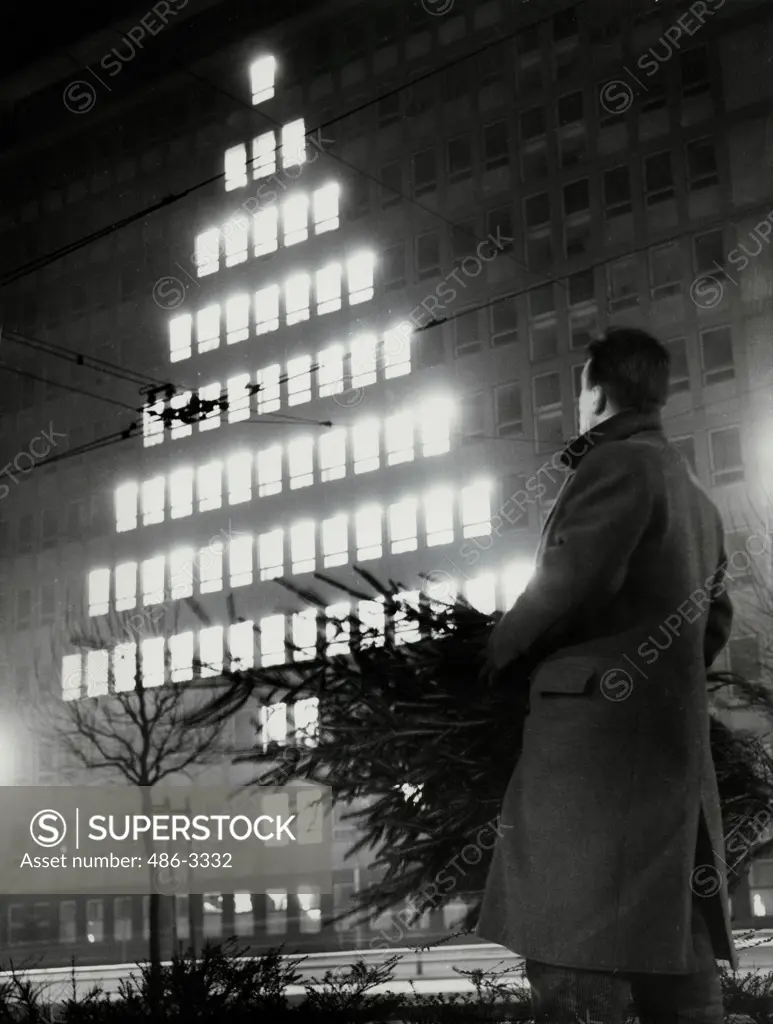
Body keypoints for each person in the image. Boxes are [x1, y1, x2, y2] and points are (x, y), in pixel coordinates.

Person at [476, 327, 736, 1024]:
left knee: (569, 958)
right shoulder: (698, 501)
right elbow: (714, 624)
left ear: (592, 389)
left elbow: (569, 578)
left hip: (590, 763)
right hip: (670, 766)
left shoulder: (616, 465)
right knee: (675, 962)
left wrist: (497, 653)